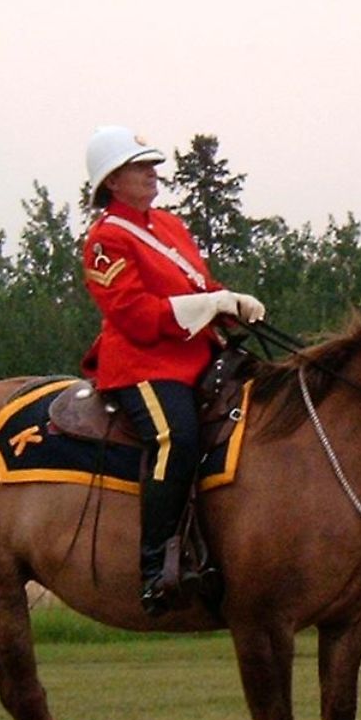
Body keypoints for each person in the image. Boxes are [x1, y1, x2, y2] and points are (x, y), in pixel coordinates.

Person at [80, 125, 266, 615]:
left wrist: (231, 304)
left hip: (198, 357)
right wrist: (208, 303)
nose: (153, 173)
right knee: (175, 439)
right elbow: (137, 317)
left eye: (152, 164)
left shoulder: (169, 227)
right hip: (143, 363)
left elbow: (200, 286)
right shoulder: (104, 242)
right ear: (113, 180)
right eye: (141, 166)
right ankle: (154, 568)